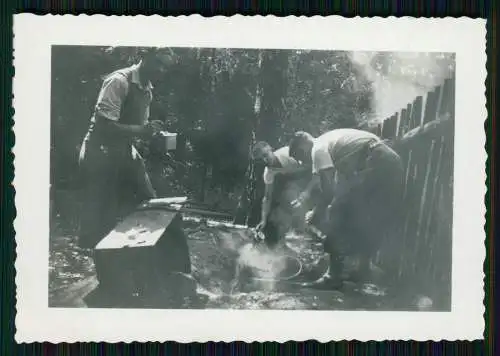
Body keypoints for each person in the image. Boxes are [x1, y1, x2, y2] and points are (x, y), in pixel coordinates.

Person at [77, 47, 178, 249]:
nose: (161, 70)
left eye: (165, 67)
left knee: (149, 200)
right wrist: (142, 130)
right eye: (158, 63)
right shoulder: (119, 81)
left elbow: (139, 129)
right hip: (100, 152)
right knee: (100, 219)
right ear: (145, 57)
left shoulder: (147, 90)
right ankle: (104, 270)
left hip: (125, 151)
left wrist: (154, 136)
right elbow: (104, 126)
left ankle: (145, 257)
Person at [288, 128, 404, 289]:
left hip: (377, 160)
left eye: (299, 157)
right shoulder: (335, 146)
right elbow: (340, 186)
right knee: (364, 215)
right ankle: (362, 269)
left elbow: (328, 191)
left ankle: (332, 277)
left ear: (302, 147)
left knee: (337, 212)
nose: (302, 163)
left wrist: (316, 212)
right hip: (390, 160)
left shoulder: (317, 149)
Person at [251, 141, 319, 248]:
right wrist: (263, 220)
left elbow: (317, 170)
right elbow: (267, 197)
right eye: (261, 160)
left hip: (315, 175)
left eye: (265, 155)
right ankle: (278, 248)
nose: (265, 160)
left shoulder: (289, 153)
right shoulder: (269, 172)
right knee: (275, 214)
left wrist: (307, 192)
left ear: (270, 149)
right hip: (296, 184)